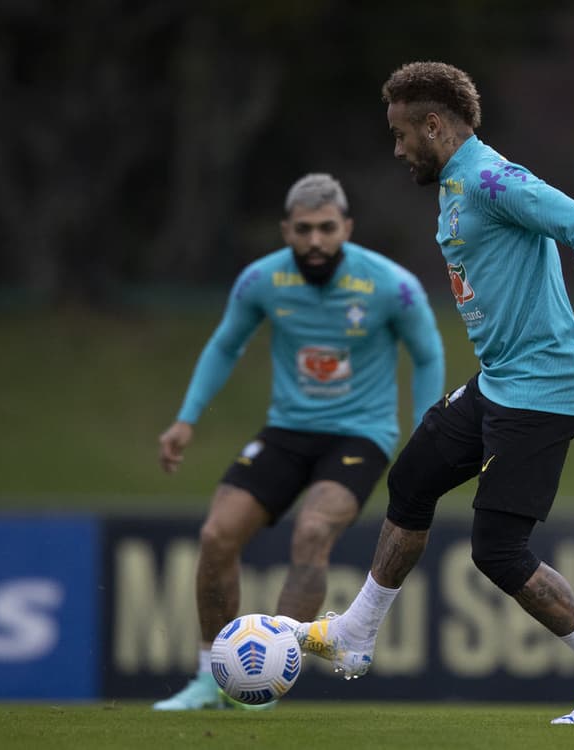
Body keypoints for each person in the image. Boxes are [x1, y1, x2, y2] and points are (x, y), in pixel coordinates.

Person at [285, 61, 574, 726]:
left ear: (433, 125)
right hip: (500, 382)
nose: (396, 151)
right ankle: (356, 633)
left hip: (540, 393)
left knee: (497, 552)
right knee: (414, 479)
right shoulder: (455, 183)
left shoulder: (487, 178)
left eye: (401, 135)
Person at [152, 173, 445, 710]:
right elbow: (225, 345)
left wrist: (427, 431)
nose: (315, 241)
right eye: (304, 229)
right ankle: (209, 681)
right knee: (217, 535)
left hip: (360, 434)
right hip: (287, 431)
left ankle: (266, 685)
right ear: (286, 230)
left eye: (327, 228)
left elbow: (427, 354)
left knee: (312, 531)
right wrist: (186, 419)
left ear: (347, 228)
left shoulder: (391, 285)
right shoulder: (261, 281)